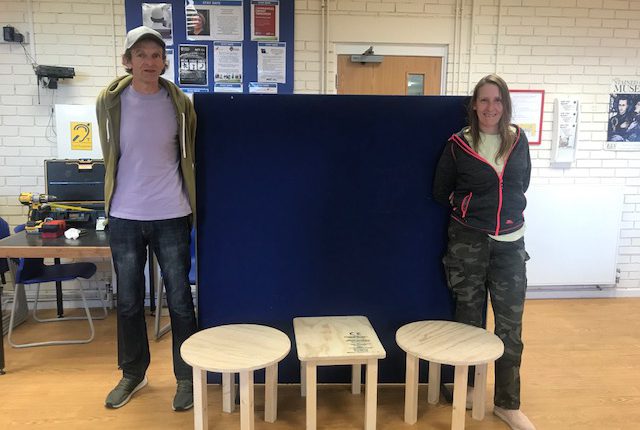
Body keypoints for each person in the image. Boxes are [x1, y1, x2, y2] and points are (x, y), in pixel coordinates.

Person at [96, 26, 197, 411]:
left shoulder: (180, 103)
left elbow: (188, 156)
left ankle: (186, 376)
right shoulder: (110, 103)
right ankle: (132, 374)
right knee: (128, 301)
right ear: (127, 62)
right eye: (141, 55)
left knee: (180, 301)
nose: (149, 62)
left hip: (171, 213)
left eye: (156, 55)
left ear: (164, 62)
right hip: (124, 215)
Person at [433, 74, 535, 430]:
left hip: (511, 245)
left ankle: (508, 403)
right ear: (474, 105)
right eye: (484, 101)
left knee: (510, 327)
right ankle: (471, 389)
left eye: (497, 101)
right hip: (469, 242)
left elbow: (522, 183)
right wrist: (471, 213)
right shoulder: (458, 145)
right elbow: (440, 190)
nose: (491, 108)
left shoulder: (518, 140)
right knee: (469, 321)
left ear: (505, 105)